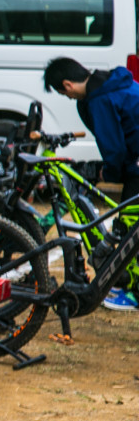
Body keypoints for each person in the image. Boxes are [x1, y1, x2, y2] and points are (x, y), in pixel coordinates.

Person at [44, 57, 139, 311]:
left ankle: (135, 292)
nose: (71, 99)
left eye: (66, 94)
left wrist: (106, 172)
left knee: (131, 224)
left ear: (67, 85)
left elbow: (114, 148)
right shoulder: (114, 82)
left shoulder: (99, 99)